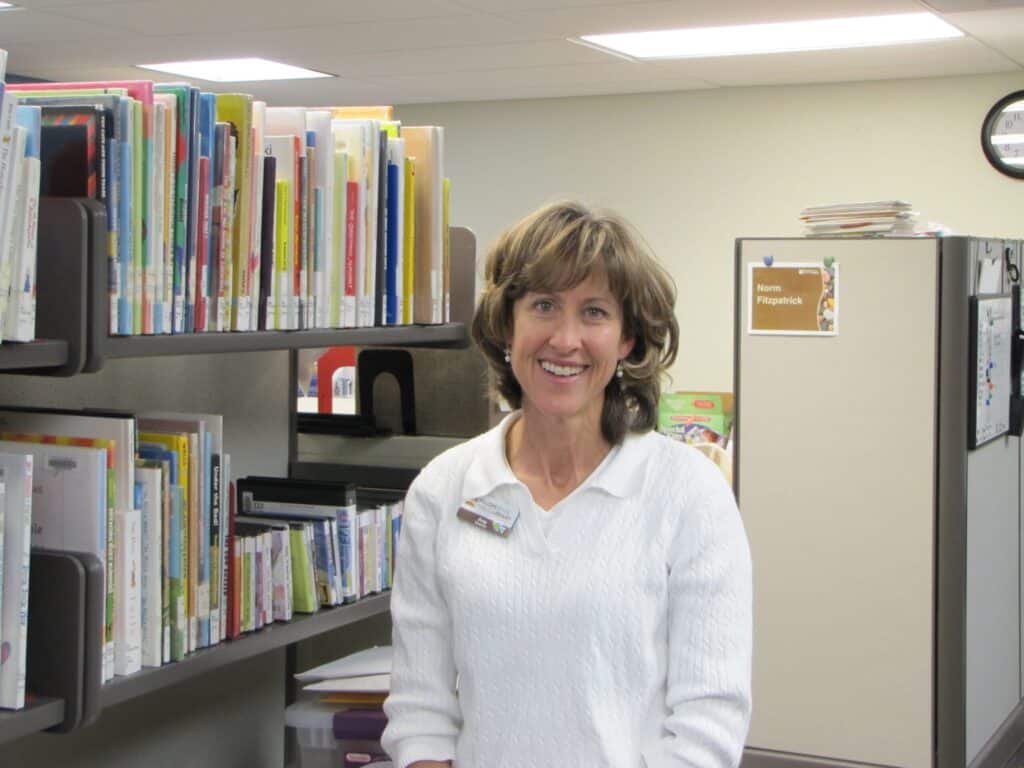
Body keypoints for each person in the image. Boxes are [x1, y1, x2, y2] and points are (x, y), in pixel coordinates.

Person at [381, 201, 752, 768]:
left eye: (595, 312)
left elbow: (708, 722)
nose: (565, 338)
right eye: (545, 306)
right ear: (508, 323)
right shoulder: (445, 488)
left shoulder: (688, 493)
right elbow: (421, 709)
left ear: (628, 339)